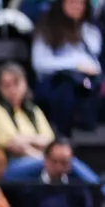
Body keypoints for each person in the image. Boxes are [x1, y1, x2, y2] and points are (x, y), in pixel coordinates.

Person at [0, 60, 102, 185]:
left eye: (16, 84)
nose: (12, 90)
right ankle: (99, 188)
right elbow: (12, 144)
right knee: (61, 163)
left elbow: (49, 141)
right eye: (6, 85)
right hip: (7, 167)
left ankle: (97, 189)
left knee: (67, 162)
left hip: (39, 161)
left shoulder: (33, 110)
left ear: (25, 84)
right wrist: (43, 155)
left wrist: (27, 141)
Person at [31, 0, 102, 134]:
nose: (77, 6)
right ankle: (62, 136)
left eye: (81, 3)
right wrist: (74, 65)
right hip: (54, 84)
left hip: (84, 83)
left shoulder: (90, 30)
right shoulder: (47, 28)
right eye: (72, 2)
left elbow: (94, 63)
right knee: (65, 88)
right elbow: (40, 64)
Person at [14, 138, 95, 207]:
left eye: (64, 162)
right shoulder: (30, 188)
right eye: (55, 161)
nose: (59, 168)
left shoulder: (78, 187)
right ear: (46, 160)